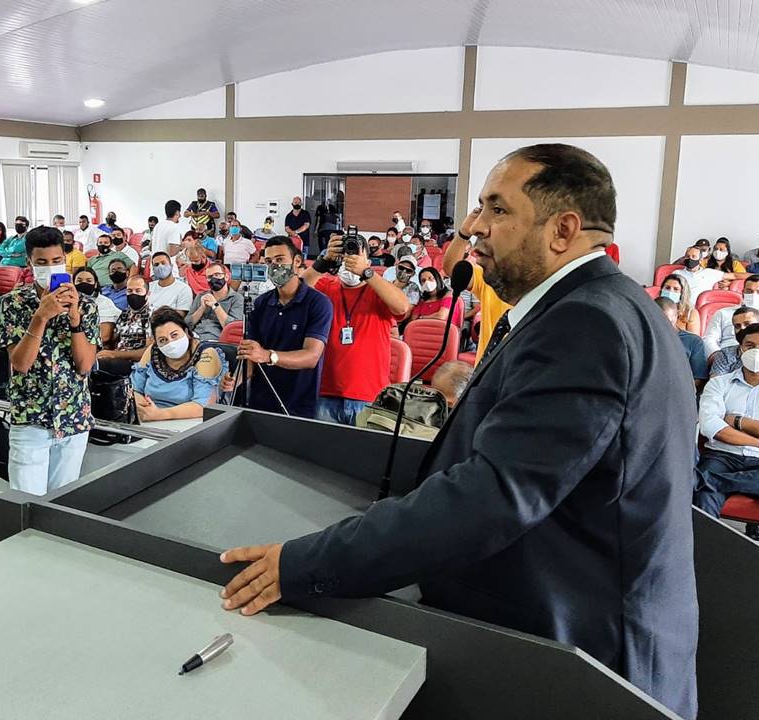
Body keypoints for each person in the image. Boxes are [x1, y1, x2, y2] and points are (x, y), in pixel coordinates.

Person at [217, 144, 699, 720]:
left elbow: (493, 497)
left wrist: (304, 564)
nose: (473, 225)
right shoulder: (602, 306)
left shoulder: (585, 323)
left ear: (563, 230)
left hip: (582, 657)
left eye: (496, 208)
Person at [0, 226, 99, 495]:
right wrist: (40, 317)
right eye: (42, 263)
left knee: (63, 506)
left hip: (73, 418)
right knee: (26, 503)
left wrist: (75, 319)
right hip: (30, 418)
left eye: (57, 261)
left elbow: (85, 365)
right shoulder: (13, 303)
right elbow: (20, 364)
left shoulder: (86, 305)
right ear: (30, 262)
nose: (51, 268)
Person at [694, 322, 759, 543]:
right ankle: (703, 555)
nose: (756, 351)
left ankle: (714, 480)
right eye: (749, 345)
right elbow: (711, 426)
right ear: (740, 350)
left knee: (706, 482)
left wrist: (737, 421)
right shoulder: (719, 384)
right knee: (704, 497)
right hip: (722, 457)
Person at [303, 232, 410, 425]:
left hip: (368, 394)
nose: (349, 260)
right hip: (326, 391)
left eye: (354, 255)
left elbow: (402, 306)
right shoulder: (327, 286)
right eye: (344, 255)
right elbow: (296, 291)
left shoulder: (378, 290)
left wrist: (367, 273)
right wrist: (323, 262)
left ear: (367, 259)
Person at [219, 236, 331, 418]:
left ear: (296, 262)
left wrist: (268, 356)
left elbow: (311, 356)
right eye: (269, 261)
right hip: (260, 401)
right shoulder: (261, 303)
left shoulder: (318, 303)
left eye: (280, 260)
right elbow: (252, 356)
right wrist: (236, 379)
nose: (274, 266)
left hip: (298, 404)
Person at [131, 307, 226, 421]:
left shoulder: (206, 355)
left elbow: (203, 405)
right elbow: (134, 389)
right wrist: (144, 408)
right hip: (148, 419)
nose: (170, 342)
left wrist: (160, 414)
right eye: (162, 340)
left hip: (191, 422)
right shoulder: (153, 350)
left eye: (174, 335)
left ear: (186, 332)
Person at [442, 215, 514, 362]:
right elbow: (452, 269)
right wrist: (463, 234)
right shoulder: (489, 276)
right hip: (486, 373)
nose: (476, 252)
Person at [702, 274, 759, 358]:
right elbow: (709, 339)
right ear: (743, 292)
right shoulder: (723, 313)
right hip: (727, 360)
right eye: (749, 291)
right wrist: (718, 357)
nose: (753, 295)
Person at [709, 306, 759, 376]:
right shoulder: (725, 355)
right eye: (737, 326)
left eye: (747, 324)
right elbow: (714, 388)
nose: (742, 329)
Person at [655, 297, 708, 389]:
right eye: (658, 321)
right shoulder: (640, 338)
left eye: (668, 322)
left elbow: (698, 379)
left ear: (676, 317)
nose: (663, 326)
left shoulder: (693, 342)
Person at [98, 275, 151, 363]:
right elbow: (112, 340)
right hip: (116, 357)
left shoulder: (152, 315)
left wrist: (114, 354)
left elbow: (149, 351)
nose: (133, 294)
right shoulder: (125, 314)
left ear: (147, 293)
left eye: (138, 291)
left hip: (136, 364)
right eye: (129, 291)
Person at [187, 263, 245, 342]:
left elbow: (233, 329)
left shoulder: (236, 299)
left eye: (217, 275)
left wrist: (215, 305)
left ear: (226, 277)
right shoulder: (201, 296)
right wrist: (201, 308)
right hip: (195, 336)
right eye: (210, 277)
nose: (213, 279)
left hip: (217, 339)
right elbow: (187, 324)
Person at [73, 267, 119, 348]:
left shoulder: (105, 303)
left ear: (95, 284)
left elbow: (104, 336)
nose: (84, 283)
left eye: (89, 281)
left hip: (93, 347)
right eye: (79, 281)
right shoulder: (68, 301)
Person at [147, 252, 193, 316]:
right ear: (153, 269)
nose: (160, 267)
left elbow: (180, 317)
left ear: (171, 266)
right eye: (156, 265)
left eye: (163, 263)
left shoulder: (184, 289)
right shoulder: (149, 287)